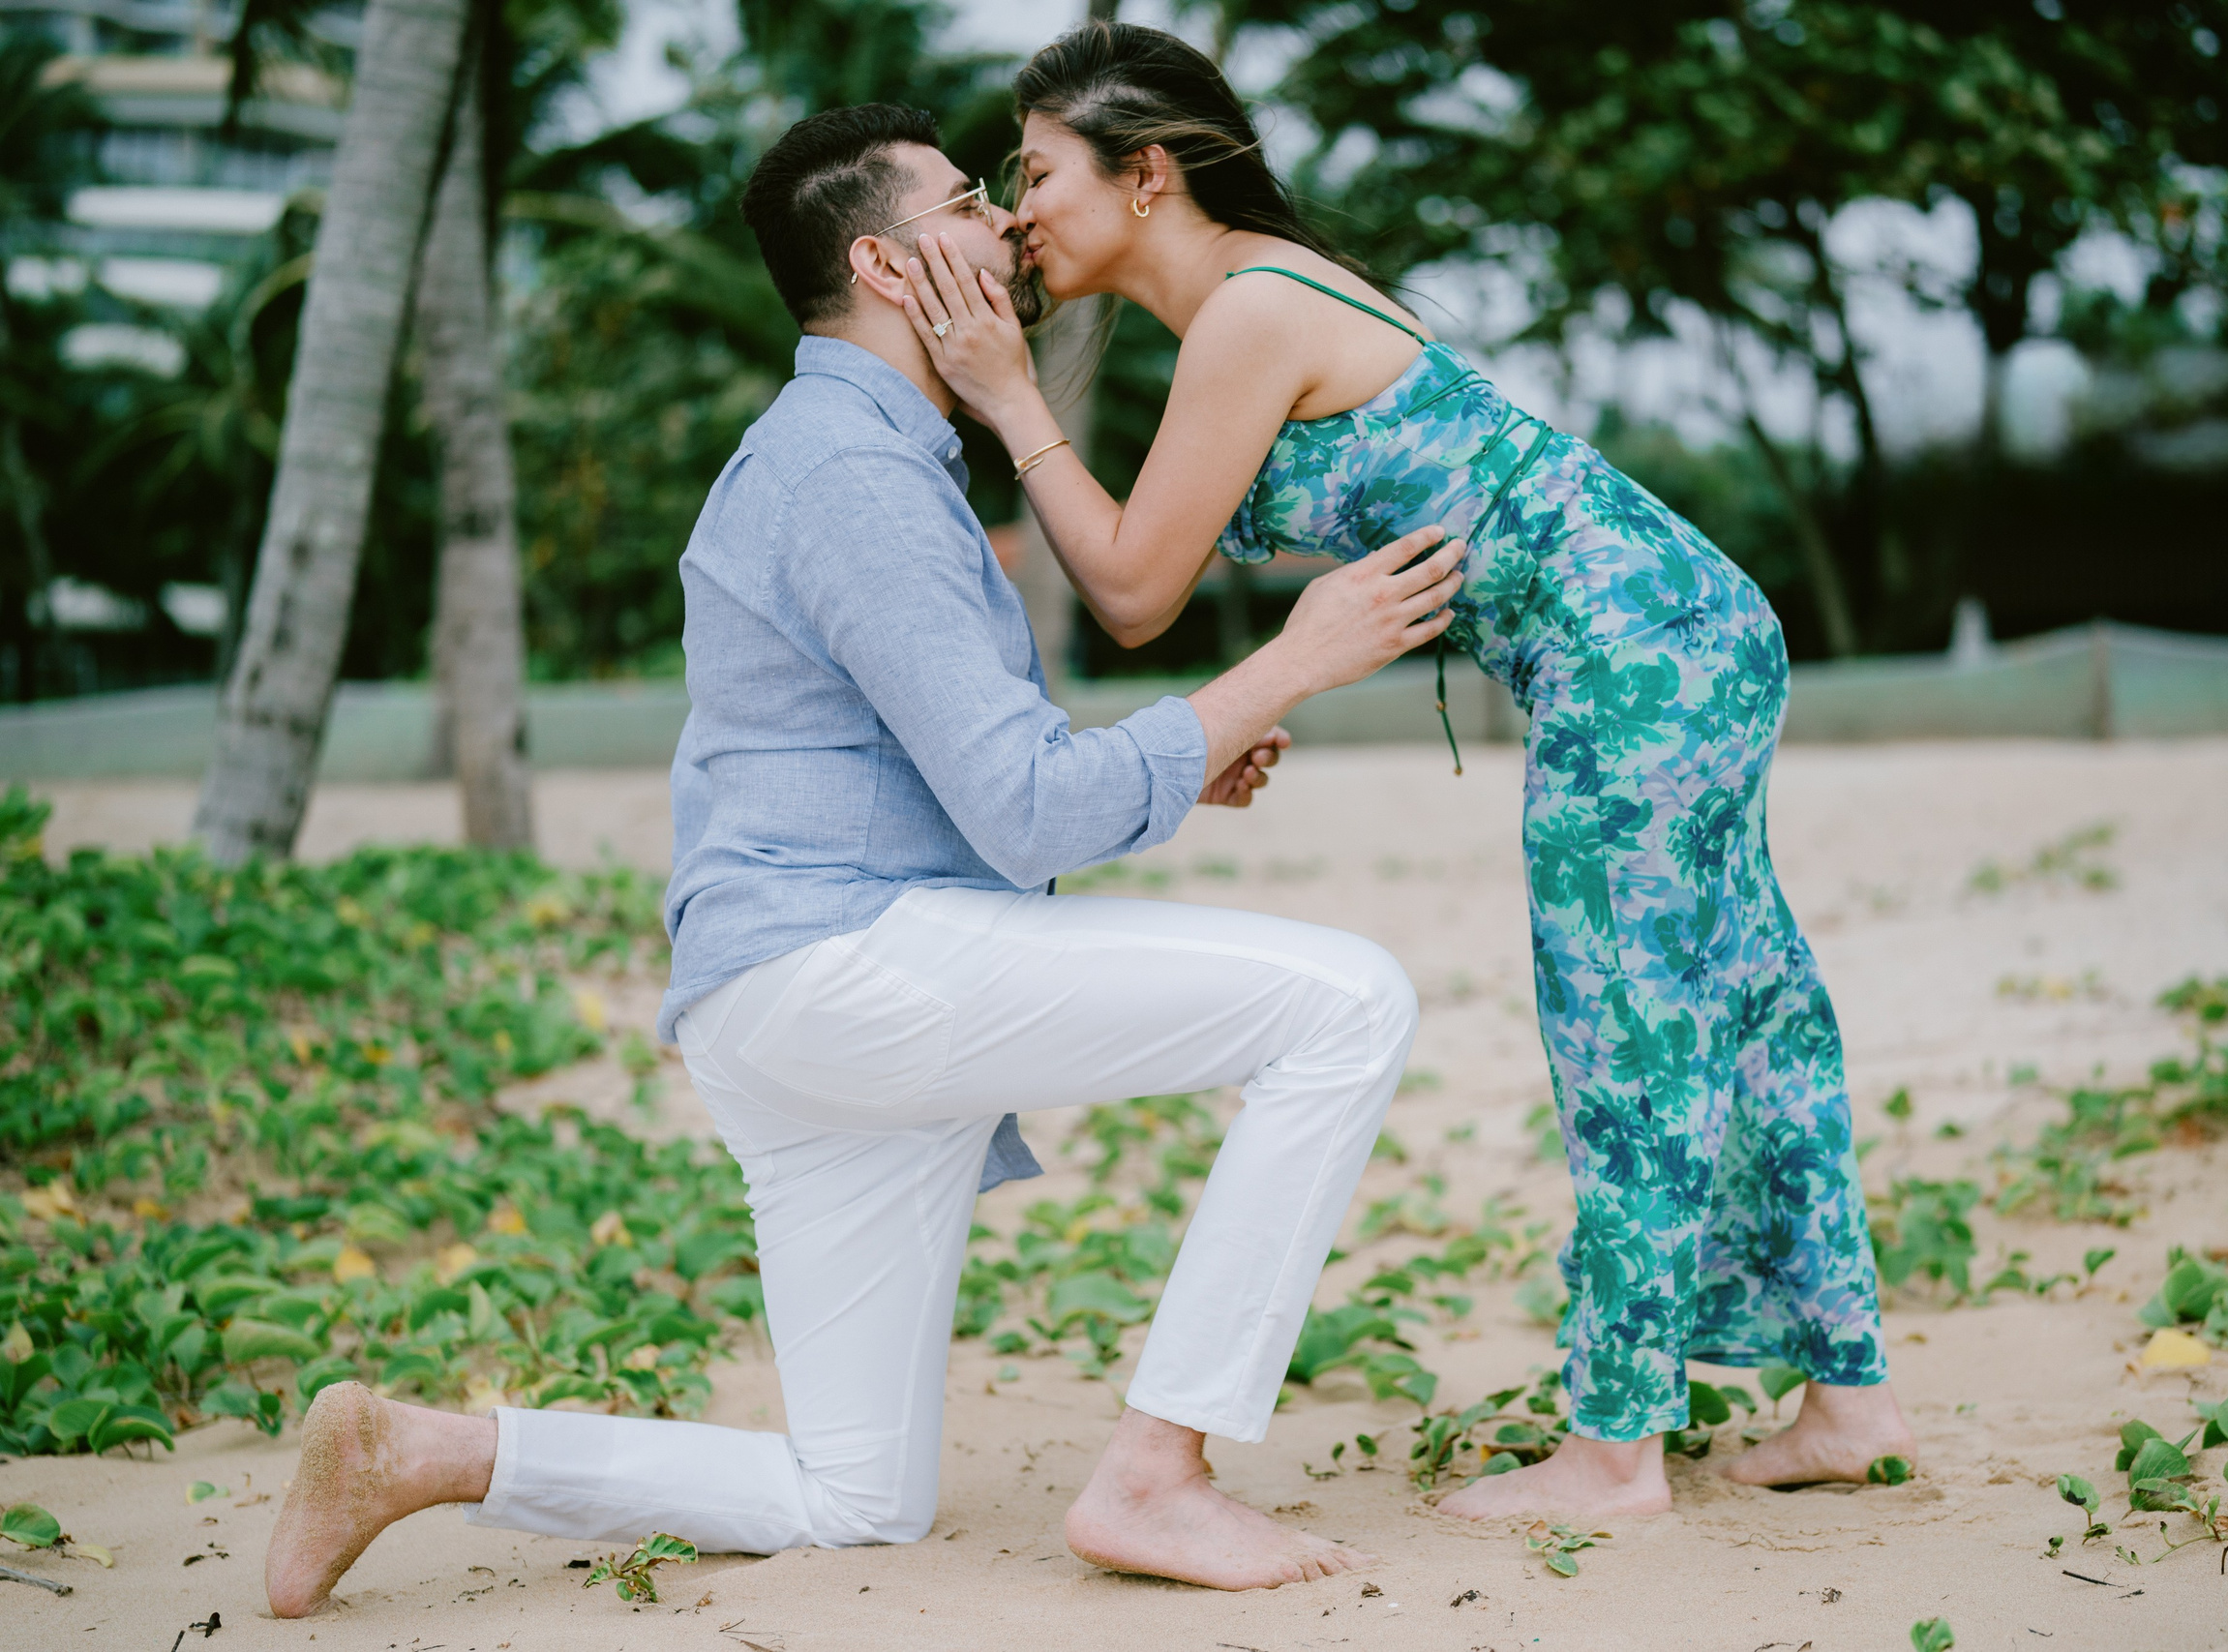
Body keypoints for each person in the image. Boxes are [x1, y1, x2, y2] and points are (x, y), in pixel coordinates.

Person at [261, 103, 1472, 1617]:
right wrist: (1288, 662)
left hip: (793, 1000)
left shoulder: (853, 456)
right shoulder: (852, 471)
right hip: (844, 969)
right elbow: (1025, 813)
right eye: (974, 201)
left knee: (855, 1496)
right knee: (1345, 1002)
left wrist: (1174, 761)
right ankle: (1160, 1473)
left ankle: (427, 1452)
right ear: (893, 267)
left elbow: (969, 771)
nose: (1011, 224)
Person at [900, 21, 1915, 1523]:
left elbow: (1131, 594)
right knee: (1744, 998)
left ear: (1148, 176)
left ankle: (1619, 1451)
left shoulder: (1248, 308)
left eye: (1036, 172)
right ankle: (1847, 1401)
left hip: (1637, 653)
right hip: (1672, 632)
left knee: (1627, 1023)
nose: (1017, 206)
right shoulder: (1243, 309)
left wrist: (1009, 395)